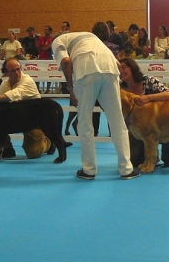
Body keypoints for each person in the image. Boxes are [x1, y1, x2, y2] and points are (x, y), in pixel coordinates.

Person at [52, 21, 139, 180]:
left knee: (85, 122)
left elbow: (65, 62)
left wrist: (71, 89)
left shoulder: (57, 41)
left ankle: (89, 170)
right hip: (110, 68)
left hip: (86, 71)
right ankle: (127, 169)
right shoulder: (88, 36)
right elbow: (118, 64)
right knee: (117, 121)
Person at [0, 58, 53, 159]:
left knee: (33, 153)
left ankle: (49, 142)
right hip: (17, 119)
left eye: (18, 69)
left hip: (35, 121)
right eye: (13, 70)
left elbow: (15, 94)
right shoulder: (4, 84)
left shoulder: (27, 80)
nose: (17, 72)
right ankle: (8, 149)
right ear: (5, 73)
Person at [119, 57, 169, 168]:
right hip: (135, 130)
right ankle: (152, 157)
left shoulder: (148, 80)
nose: (121, 71)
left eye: (124, 68)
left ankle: (166, 156)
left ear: (132, 68)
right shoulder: (120, 88)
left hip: (161, 124)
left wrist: (148, 98)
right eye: (119, 68)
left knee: (168, 134)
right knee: (135, 162)